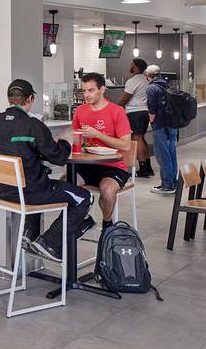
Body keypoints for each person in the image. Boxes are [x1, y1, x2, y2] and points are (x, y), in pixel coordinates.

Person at [0, 78, 93, 262]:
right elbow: (59, 158)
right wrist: (66, 139)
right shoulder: (33, 125)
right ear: (31, 98)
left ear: (9, 98)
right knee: (84, 198)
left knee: (37, 180)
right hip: (29, 193)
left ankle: (28, 233)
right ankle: (50, 242)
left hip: (3, 190)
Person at [71, 72, 133, 230]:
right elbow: (76, 138)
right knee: (67, 183)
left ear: (102, 89)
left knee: (106, 189)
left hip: (114, 166)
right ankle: (83, 220)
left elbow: (126, 145)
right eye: (84, 91)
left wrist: (97, 134)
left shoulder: (117, 111)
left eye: (91, 90)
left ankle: (107, 225)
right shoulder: (80, 111)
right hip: (88, 165)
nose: (86, 95)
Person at [145, 65, 179, 194]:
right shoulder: (167, 84)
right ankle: (173, 182)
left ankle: (167, 185)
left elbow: (152, 108)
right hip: (172, 124)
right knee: (171, 154)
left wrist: (151, 120)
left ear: (148, 75)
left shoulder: (151, 88)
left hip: (160, 125)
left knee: (162, 155)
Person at [116, 58, 153, 178]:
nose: (130, 66)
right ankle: (148, 166)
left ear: (136, 67)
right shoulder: (147, 80)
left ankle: (143, 169)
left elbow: (124, 99)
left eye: (131, 64)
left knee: (136, 139)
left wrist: (113, 108)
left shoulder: (133, 81)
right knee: (142, 138)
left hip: (134, 113)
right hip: (145, 112)